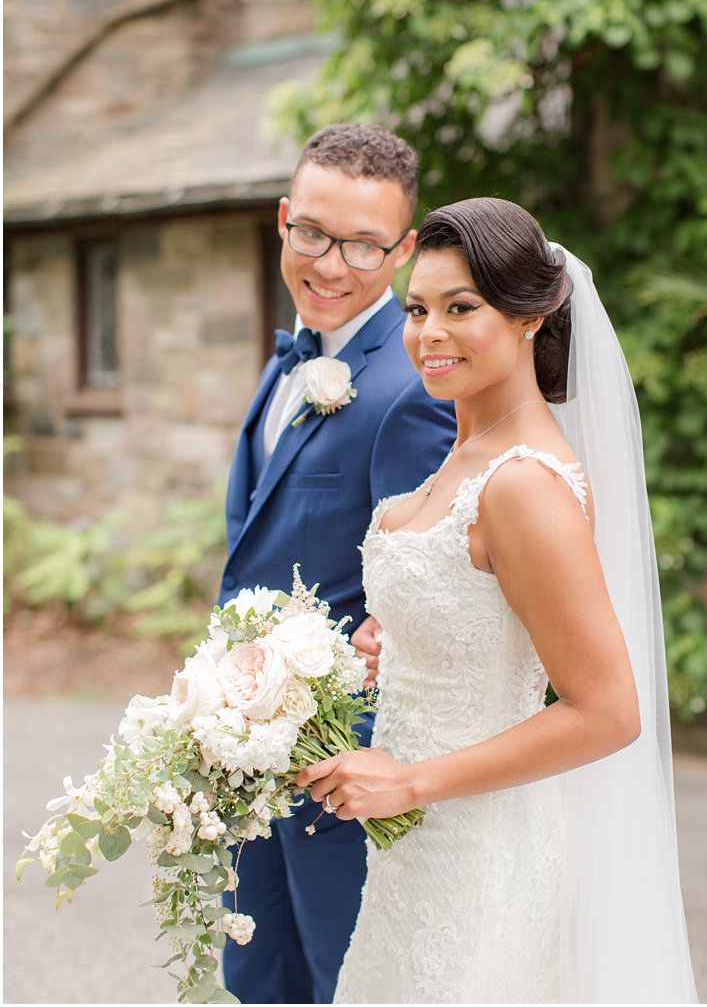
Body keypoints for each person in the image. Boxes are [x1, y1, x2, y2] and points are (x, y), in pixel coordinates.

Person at [293, 198, 697, 1003]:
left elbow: (608, 710)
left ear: (530, 317)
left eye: (460, 308)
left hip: (480, 856)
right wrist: (395, 640)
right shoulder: (468, 453)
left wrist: (408, 783)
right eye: (416, 309)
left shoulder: (524, 484)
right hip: (415, 855)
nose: (428, 333)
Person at [218, 123, 456, 1003]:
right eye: (312, 233)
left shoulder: (410, 388)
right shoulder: (294, 358)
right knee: (257, 974)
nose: (330, 264)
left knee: (338, 978)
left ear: (401, 251)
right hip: (246, 746)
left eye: (362, 244)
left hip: (337, 763)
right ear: (284, 220)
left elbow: (428, 581)